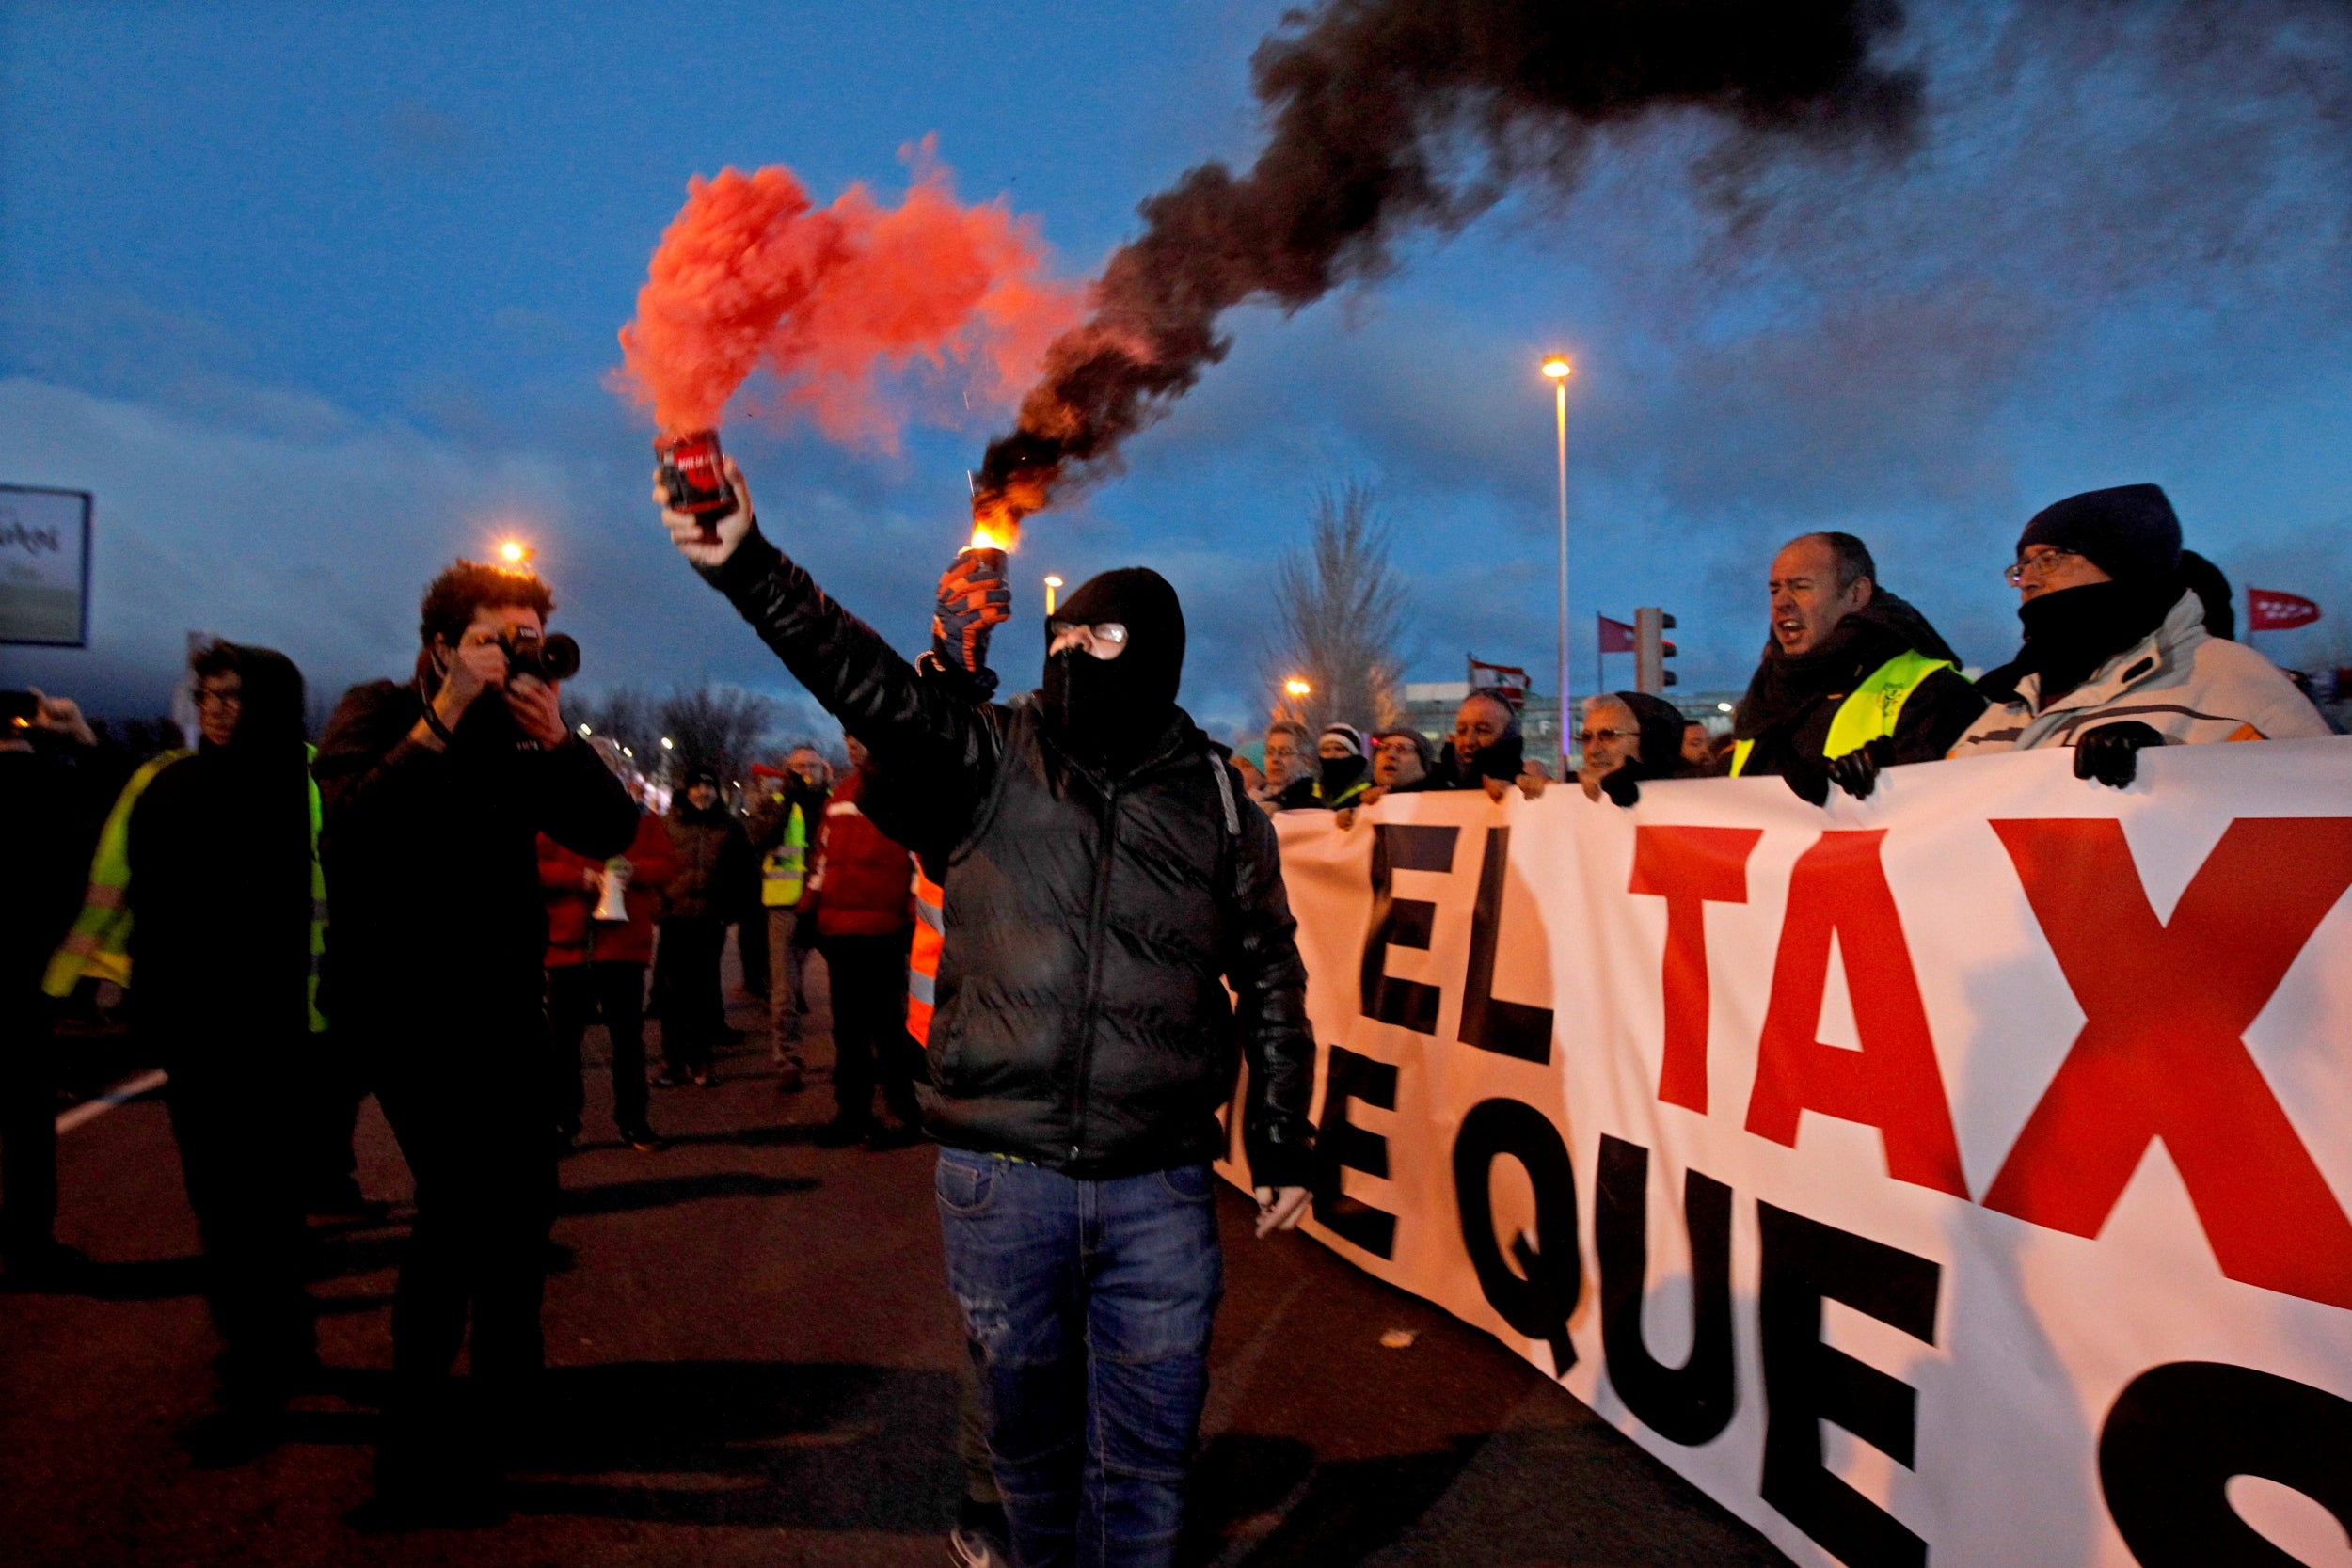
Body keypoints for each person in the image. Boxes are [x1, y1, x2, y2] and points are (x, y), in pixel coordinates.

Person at [658, 459, 1314, 1568]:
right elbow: (856, 677)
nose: (1065, 658)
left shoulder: (1214, 796)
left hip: (1157, 1180)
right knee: (1026, 1458)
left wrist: (1286, 1129)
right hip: (999, 1175)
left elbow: (1271, 969)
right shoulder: (994, 753)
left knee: (1149, 1464)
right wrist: (743, 563)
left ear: (1152, 656)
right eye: (1057, 642)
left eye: (1093, 644)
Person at [316, 557, 635, 1523]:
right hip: (406, 1006)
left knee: (524, 1208)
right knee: (457, 1210)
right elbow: (355, 827)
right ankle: (407, 1450)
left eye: (528, 640)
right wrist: (447, 712)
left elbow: (611, 827)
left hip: (503, 1005)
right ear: (441, 647)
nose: (515, 656)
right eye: (496, 639)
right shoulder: (376, 710)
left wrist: (558, 742)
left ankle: (512, 1396)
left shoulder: (518, 734)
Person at [47, 645, 327, 1463]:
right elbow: (110, 863)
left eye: (235, 695)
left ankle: (256, 1369)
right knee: (224, 1204)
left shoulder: (312, 787)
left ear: (274, 701)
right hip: (191, 1032)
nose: (217, 707)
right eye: (207, 693)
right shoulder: (166, 782)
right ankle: (279, 1343)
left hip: (284, 1030)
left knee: (258, 1207)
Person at [1951, 484, 2330, 783]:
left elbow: (2313, 820)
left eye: (2049, 559)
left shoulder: (2234, 682)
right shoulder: (2008, 702)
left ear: (2121, 561)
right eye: (2022, 567)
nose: (2027, 581)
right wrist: (1899, 791)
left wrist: (2171, 772)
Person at [1726, 531, 1985, 801]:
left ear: (1856, 594)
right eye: (1774, 589)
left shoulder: (1935, 692)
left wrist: (1894, 775)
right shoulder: (1766, 695)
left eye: (1800, 586)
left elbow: (1956, 815)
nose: (1781, 603)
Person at [2, 689, 109, 1286]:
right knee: (24, 1120)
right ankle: (26, 1245)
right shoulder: (50, 781)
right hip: (26, 975)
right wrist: (79, 731)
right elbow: (116, 806)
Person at [541, 743, 677, 1153]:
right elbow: (531, 866)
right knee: (564, 1043)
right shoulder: (552, 815)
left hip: (622, 945)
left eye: (608, 765)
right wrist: (578, 878)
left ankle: (633, 1120)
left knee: (628, 1041)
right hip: (569, 943)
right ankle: (564, 1121)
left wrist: (635, 871)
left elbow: (668, 864)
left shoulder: (641, 819)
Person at [800, 734, 920, 1148]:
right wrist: (808, 905)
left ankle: (904, 1112)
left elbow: (917, 858)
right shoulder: (843, 791)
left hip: (883, 929)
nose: (853, 745)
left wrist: (910, 914)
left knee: (888, 1029)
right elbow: (824, 854)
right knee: (848, 1030)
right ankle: (853, 1112)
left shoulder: (904, 787)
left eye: (861, 737)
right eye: (848, 738)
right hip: (841, 928)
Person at [652, 764, 751, 1089]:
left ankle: (701, 1059)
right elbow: (654, 864)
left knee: (704, 990)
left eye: (709, 786)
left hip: (710, 919)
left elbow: (743, 872)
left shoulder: (729, 827)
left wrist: (731, 910)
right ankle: (672, 1059)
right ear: (687, 789)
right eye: (697, 786)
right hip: (675, 917)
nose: (703, 792)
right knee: (671, 992)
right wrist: (658, 907)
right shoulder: (668, 824)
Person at [746, 745, 832, 1093]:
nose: (806, 771)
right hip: (785, 905)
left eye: (812, 765)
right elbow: (758, 838)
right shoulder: (774, 803)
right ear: (786, 769)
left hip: (828, 903)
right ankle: (788, 1060)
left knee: (849, 987)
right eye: (798, 766)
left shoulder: (834, 801)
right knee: (784, 992)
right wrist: (787, 802)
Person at [1420, 689, 1552, 800]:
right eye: (1461, 730)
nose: (1468, 741)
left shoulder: (1528, 789)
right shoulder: (1430, 783)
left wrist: (1547, 795)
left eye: (1483, 730)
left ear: (1510, 737)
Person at [1576, 690, 1696, 807]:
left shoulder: (1698, 786)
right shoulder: (1568, 792)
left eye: (1609, 736)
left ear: (1650, 743)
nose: (1593, 750)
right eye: (1586, 738)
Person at [1256, 719, 1319, 812]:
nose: (1275, 759)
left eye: (1284, 752)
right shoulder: (1252, 802)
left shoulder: (1314, 809)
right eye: (1270, 752)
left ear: (1305, 760)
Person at [1313, 722, 1373, 809]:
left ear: (1353, 753)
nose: (1332, 754)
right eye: (1326, 750)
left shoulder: (1370, 787)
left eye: (1339, 749)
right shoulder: (1311, 788)